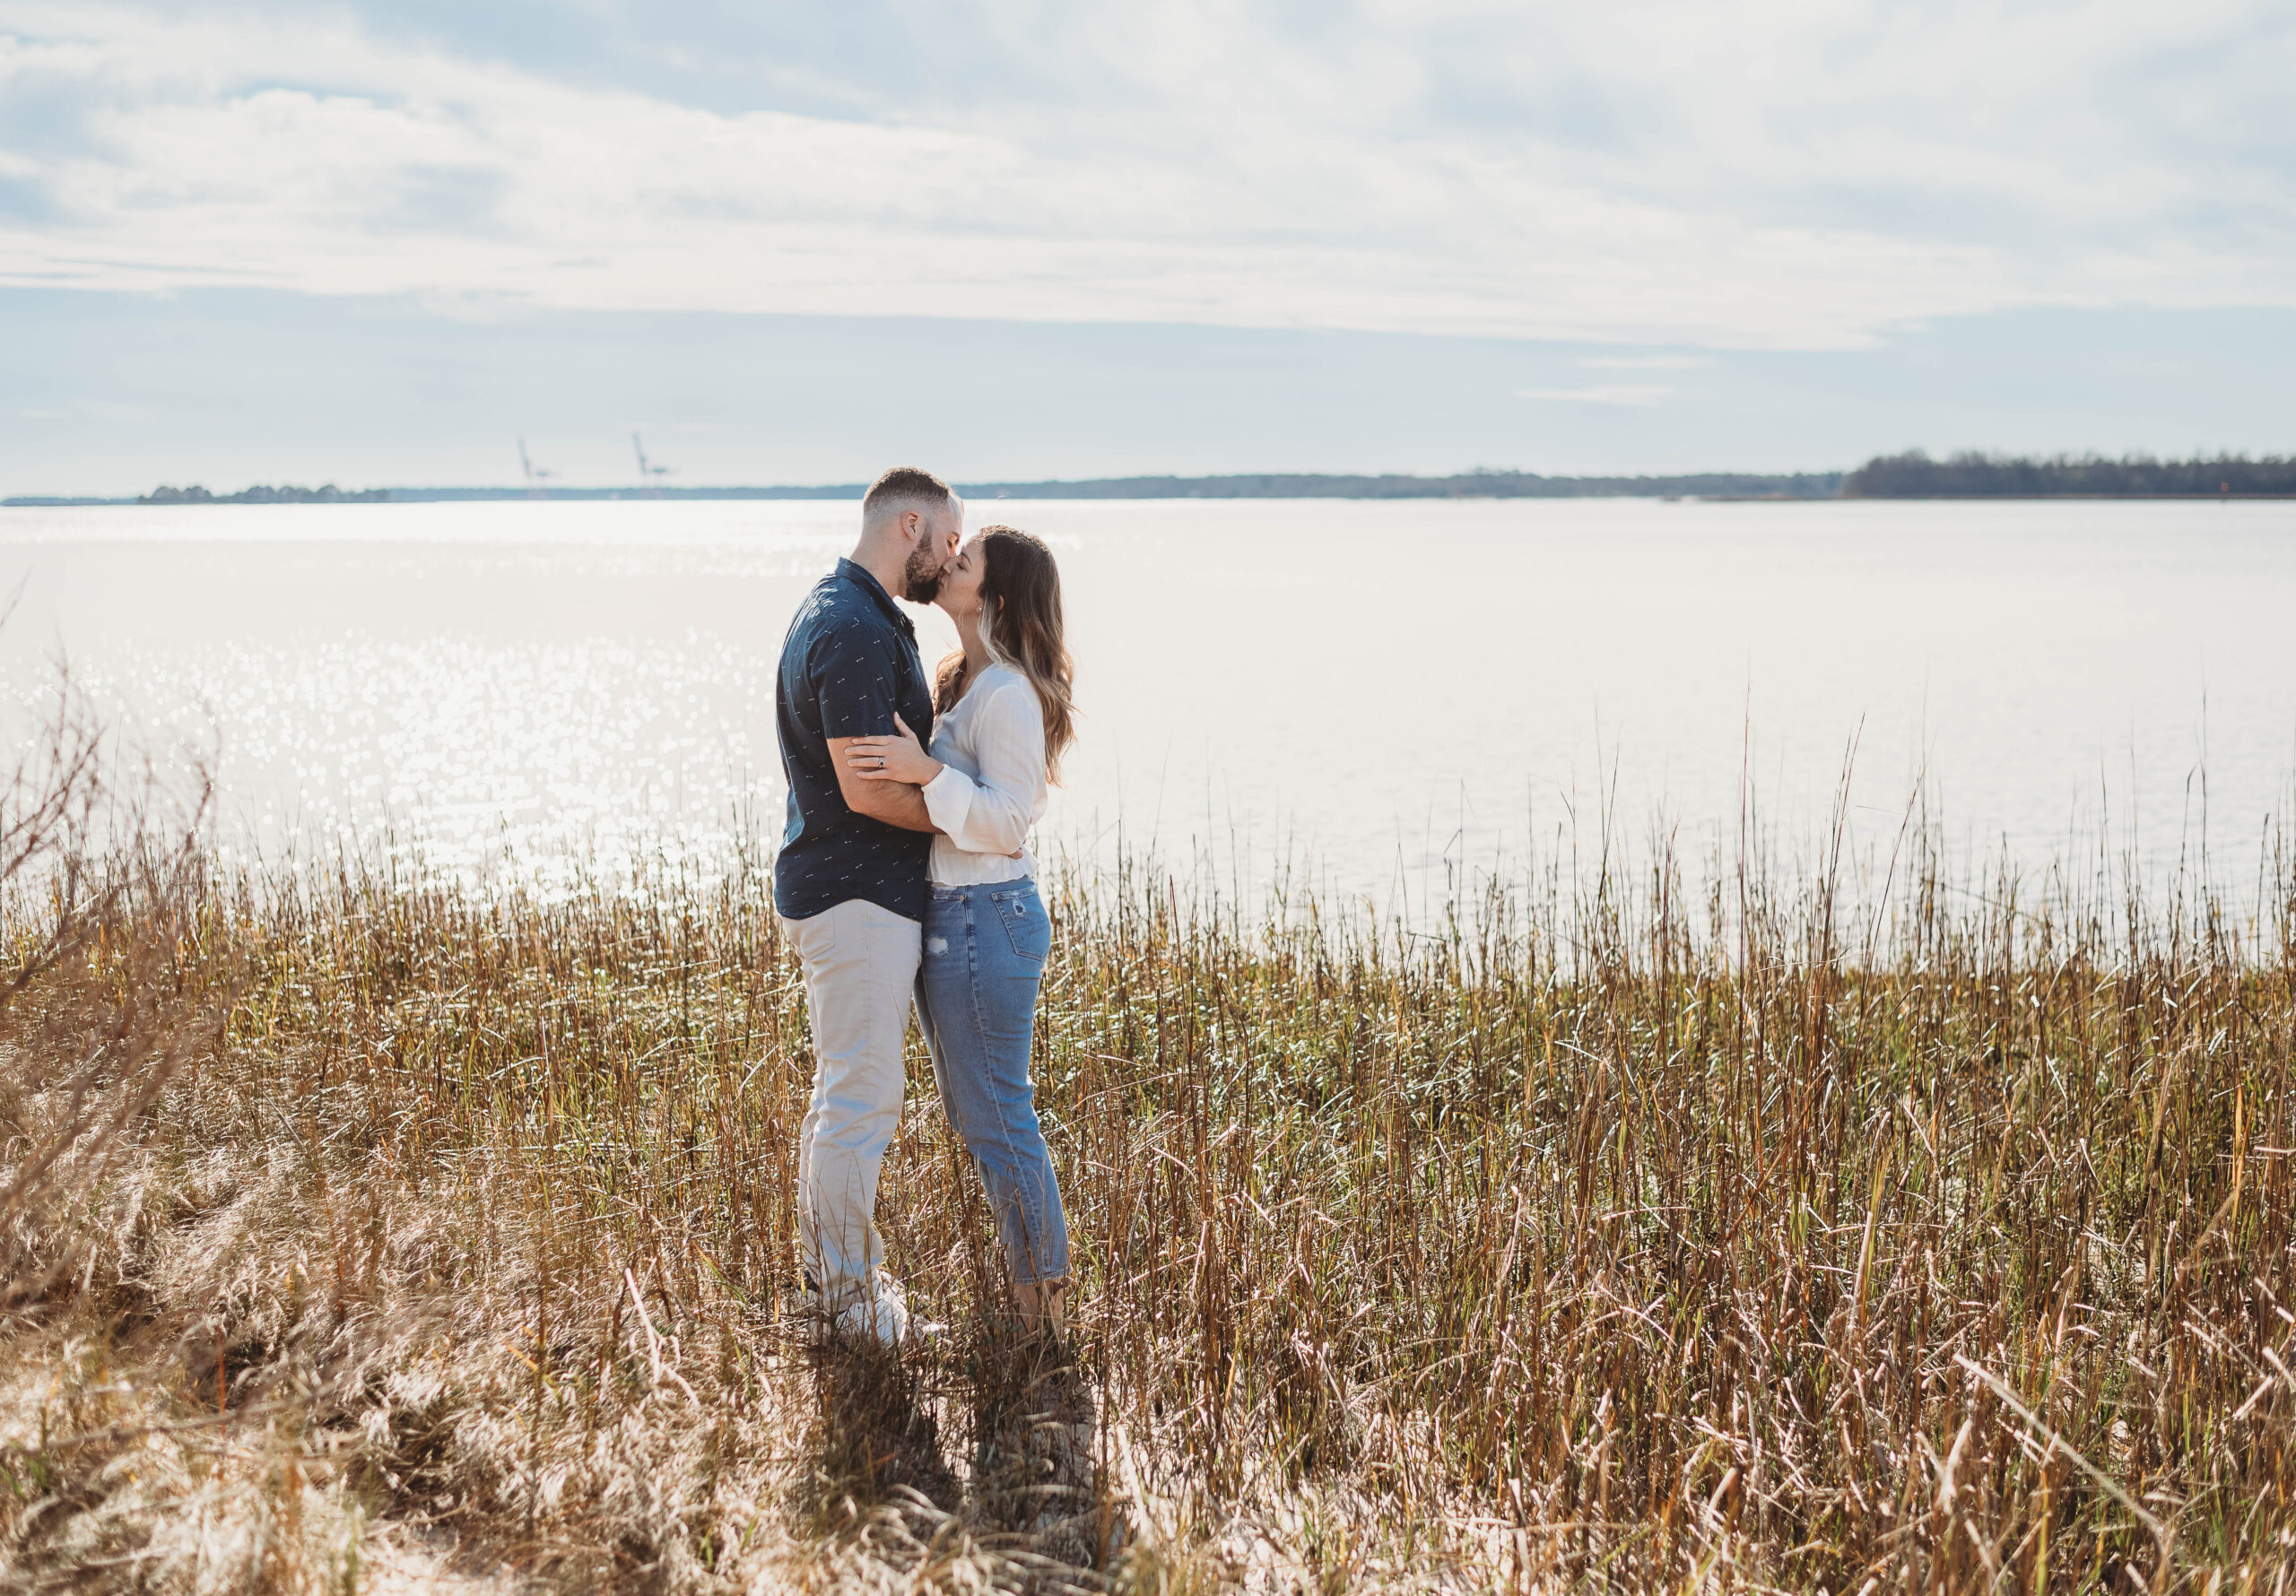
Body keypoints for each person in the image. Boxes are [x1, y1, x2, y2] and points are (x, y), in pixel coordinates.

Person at [843, 525, 1077, 1340]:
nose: (948, 564)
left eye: (965, 561)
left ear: (997, 598)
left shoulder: (1008, 694)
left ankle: (1042, 1319)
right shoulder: (962, 683)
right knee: (983, 1119)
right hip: (959, 919)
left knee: (1002, 1119)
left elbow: (1009, 823)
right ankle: (1029, 1307)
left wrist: (925, 773)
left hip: (989, 917)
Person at [774, 465, 961, 1345]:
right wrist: (970, 822)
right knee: (859, 1099)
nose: (951, 558)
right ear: (910, 526)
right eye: (949, 542)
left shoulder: (859, 614)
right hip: (855, 897)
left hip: (858, 894)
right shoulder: (849, 626)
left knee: (847, 1095)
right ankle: (842, 1306)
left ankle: (831, 1290)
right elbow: (862, 785)